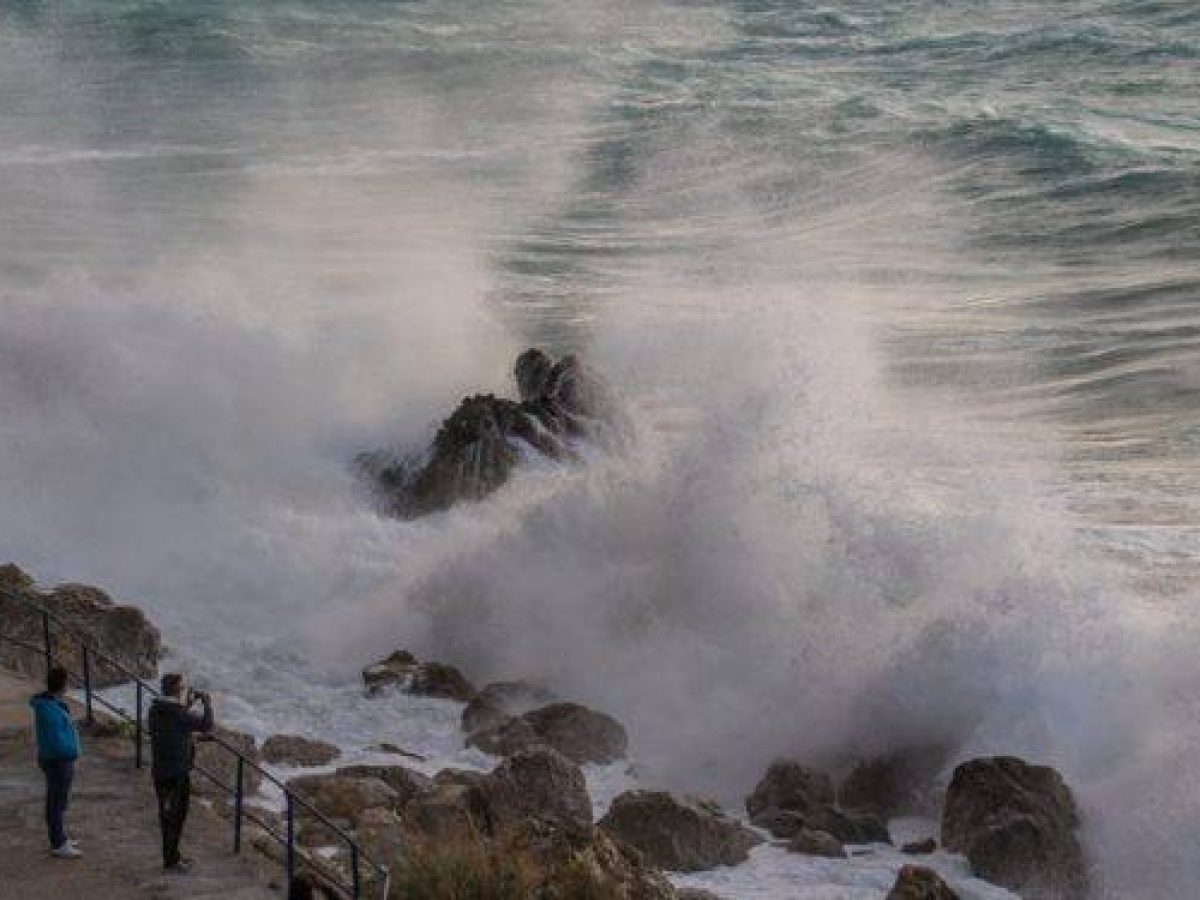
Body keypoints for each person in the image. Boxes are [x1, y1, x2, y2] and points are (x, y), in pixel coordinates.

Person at [147, 673, 213, 873]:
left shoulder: (155, 709)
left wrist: (187, 703)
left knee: (166, 816)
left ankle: (172, 856)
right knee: (176, 816)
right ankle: (171, 860)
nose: (186, 689)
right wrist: (207, 703)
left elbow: (177, 720)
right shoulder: (178, 713)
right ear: (176, 690)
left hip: (160, 770)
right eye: (183, 687)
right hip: (176, 773)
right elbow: (206, 724)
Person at [29, 664, 82, 859]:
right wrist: (72, 752)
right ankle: (58, 842)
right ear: (63, 685)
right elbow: (56, 738)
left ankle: (60, 837)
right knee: (56, 801)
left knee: (59, 799)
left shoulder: (51, 703)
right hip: (58, 759)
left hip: (56, 758)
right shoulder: (49, 708)